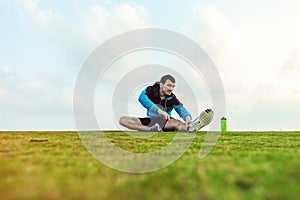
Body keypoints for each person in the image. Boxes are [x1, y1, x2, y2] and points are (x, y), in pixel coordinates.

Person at [119, 74, 198, 132]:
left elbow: (180, 108)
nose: (171, 89)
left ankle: (191, 128)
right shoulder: (151, 90)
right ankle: (151, 130)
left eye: (173, 86)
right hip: (150, 120)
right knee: (122, 120)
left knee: (178, 124)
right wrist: (159, 111)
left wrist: (187, 118)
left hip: (166, 121)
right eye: (169, 85)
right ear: (161, 85)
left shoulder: (172, 97)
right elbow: (142, 98)